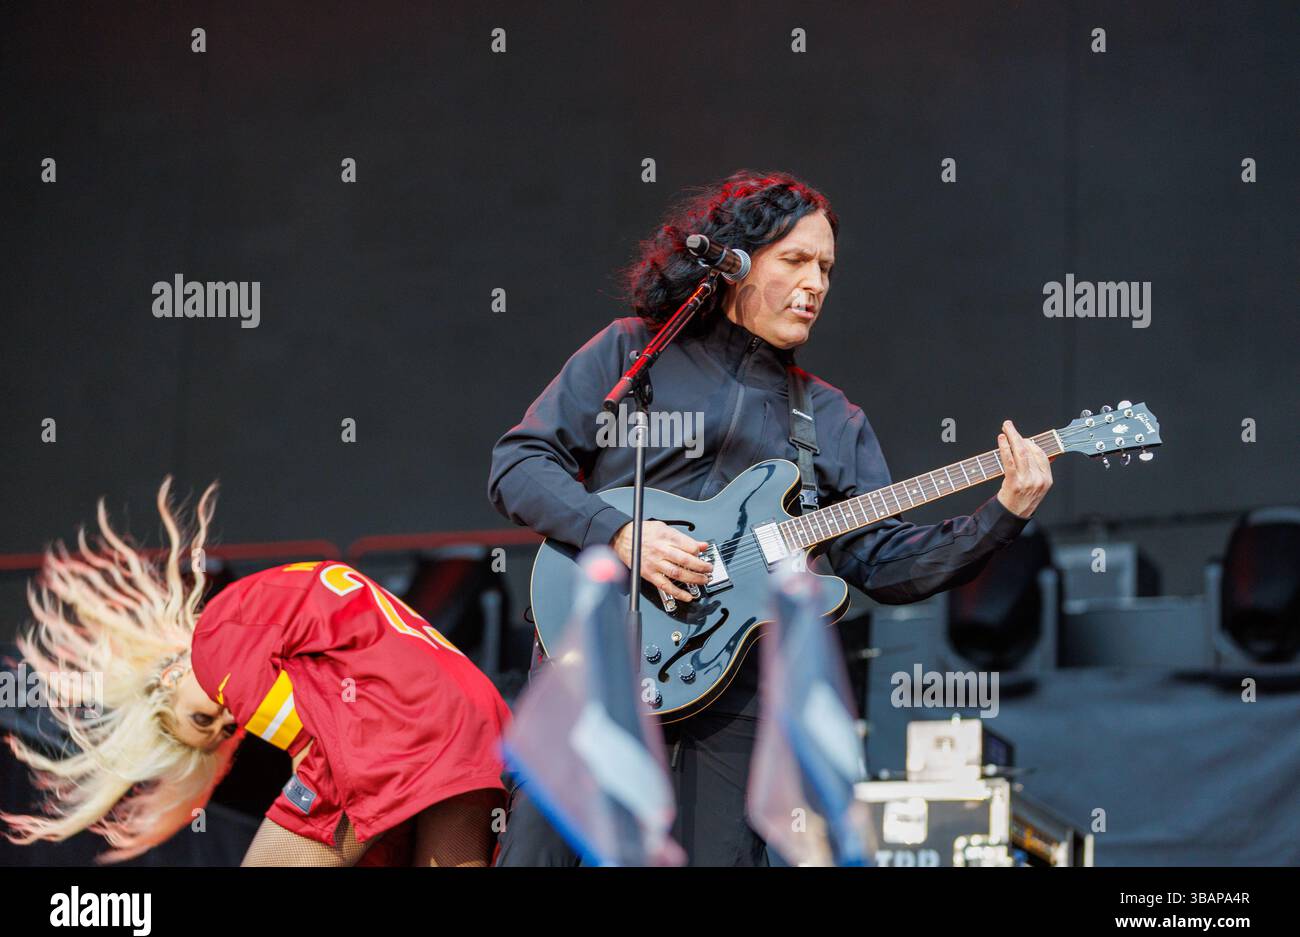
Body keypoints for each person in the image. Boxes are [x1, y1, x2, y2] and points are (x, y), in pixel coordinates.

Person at [487, 170, 1053, 865]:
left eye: (826, 268)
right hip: (595, 660)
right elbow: (519, 464)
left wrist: (1002, 513)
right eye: (794, 260)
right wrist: (621, 533)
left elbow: (881, 564)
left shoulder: (831, 420)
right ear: (732, 263)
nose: (815, 283)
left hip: (736, 702)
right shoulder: (632, 353)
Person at [1, 477, 510, 866]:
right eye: (224, 732)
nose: (228, 718)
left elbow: (321, 751)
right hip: (476, 717)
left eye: (200, 720)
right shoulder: (275, 615)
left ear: (171, 676)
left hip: (399, 735)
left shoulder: (215, 647)